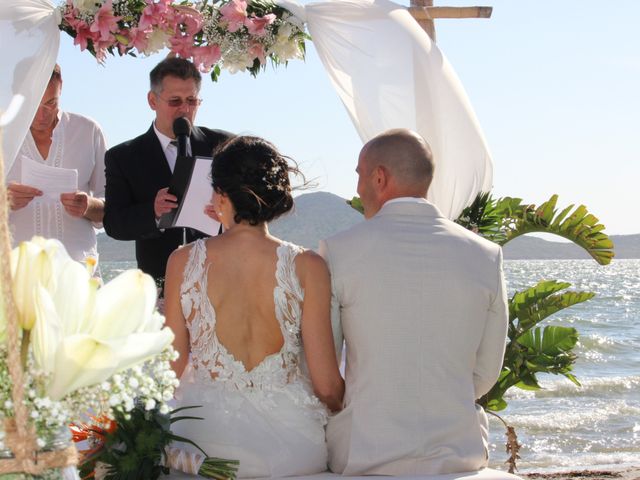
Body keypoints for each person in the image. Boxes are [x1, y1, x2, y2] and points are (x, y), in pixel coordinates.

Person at [319, 128, 509, 475]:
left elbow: (328, 370)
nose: (358, 189)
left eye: (359, 176)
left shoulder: (338, 250)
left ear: (379, 177)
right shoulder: (486, 255)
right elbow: (485, 373)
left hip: (365, 450)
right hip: (458, 449)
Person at [164, 135, 344, 478]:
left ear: (219, 194)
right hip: (291, 448)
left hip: (206, 442)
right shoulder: (308, 265)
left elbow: (171, 368)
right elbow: (327, 386)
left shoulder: (183, 260)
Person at [103, 57, 232, 287]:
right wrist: (152, 213)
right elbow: (114, 223)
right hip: (161, 282)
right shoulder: (123, 157)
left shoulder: (225, 146)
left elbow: (254, 207)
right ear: (152, 100)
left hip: (220, 279)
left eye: (192, 100)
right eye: (175, 101)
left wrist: (229, 214)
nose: (184, 109)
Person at [6, 64, 106, 263]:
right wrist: (4, 201)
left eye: (51, 103)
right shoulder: (3, 134)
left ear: (61, 88)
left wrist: (88, 205)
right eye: (33, 104)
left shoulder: (88, 131)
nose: (41, 115)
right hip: (16, 275)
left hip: (78, 272)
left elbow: (114, 205)